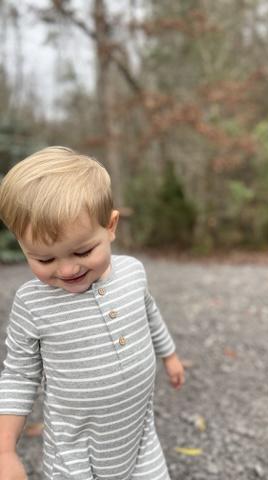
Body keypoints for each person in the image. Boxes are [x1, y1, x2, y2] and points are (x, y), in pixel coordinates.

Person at [0, 146, 185, 480]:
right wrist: (4, 450)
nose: (68, 269)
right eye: (44, 259)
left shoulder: (132, 272)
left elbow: (149, 313)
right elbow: (19, 375)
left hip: (140, 435)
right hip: (76, 454)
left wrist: (169, 356)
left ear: (110, 226)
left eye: (83, 250)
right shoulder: (32, 303)